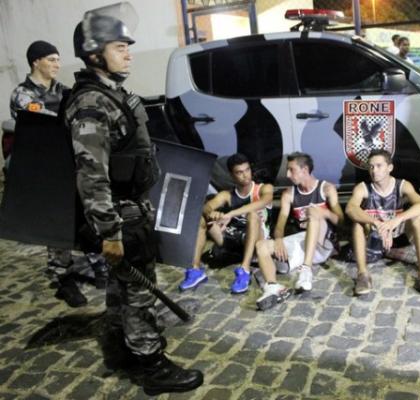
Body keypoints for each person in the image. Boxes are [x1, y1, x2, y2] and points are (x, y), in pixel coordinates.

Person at [64, 11, 203, 395]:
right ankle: (152, 365)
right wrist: (109, 232)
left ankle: (121, 347)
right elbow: (91, 175)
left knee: (121, 290)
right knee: (139, 294)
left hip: (132, 210)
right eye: (119, 48)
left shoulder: (112, 95)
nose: (129, 55)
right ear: (94, 54)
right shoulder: (92, 103)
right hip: (121, 217)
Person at [9, 40, 107, 308]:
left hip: (71, 163)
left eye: (58, 59)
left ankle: (100, 265)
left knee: (88, 215)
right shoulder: (23, 95)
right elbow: (47, 121)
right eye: (51, 59)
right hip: (46, 169)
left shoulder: (64, 90)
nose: (57, 64)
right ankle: (62, 277)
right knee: (57, 221)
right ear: (36, 61)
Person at [345, 149, 420, 296]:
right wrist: (377, 223)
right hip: (374, 234)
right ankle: (363, 275)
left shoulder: (402, 185)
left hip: (397, 232)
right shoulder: (363, 188)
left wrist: (396, 220)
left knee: (417, 218)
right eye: (371, 166)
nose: (374, 170)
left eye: (379, 166)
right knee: (357, 223)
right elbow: (350, 209)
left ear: (389, 168)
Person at [254, 152, 344, 311]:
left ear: (305, 170)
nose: (288, 175)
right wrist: (279, 239)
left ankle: (306, 271)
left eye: (291, 170)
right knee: (262, 245)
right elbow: (281, 222)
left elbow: (341, 221)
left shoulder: (326, 188)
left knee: (314, 213)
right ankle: (273, 286)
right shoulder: (289, 194)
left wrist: (326, 213)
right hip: (301, 244)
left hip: (322, 243)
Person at [180, 153, 273, 293]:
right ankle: (195, 270)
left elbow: (262, 203)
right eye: (239, 172)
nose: (245, 175)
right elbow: (207, 206)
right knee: (202, 218)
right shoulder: (227, 195)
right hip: (232, 239)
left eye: (247, 170)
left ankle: (244, 271)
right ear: (232, 175)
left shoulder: (264, 189)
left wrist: (230, 214)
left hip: (257, 239)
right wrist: (211, 213)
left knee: (253, 216)